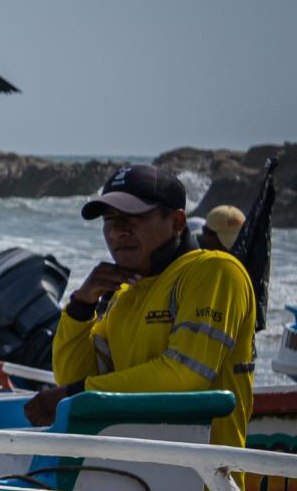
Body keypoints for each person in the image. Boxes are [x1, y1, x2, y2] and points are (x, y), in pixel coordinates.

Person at [27, 164, 256, 447]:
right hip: (133, 475)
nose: (117, 232)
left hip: (204, 482)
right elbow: (74, 378)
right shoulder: (123, 294)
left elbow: (184, 377)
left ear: (177, 221)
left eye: (132, 217)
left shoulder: (215, 270)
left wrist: (75, 392)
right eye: (110, 220)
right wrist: (81, 306)